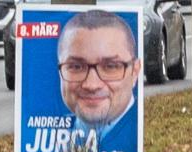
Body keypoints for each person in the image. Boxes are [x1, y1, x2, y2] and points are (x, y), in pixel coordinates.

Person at [58, 10, 141, 142]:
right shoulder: (41, 137)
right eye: (76, 67)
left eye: (110, 66)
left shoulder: (146, 138)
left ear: (135, 71)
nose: (91, 85)